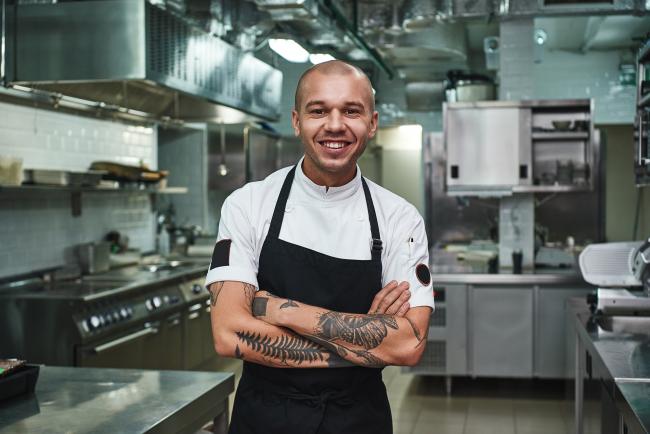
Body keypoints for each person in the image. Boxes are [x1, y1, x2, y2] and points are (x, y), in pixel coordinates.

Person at [205, 60, 434, 434]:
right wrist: (366, 345)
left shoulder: (399, 219)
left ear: (372, 123)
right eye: (318, 111)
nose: (334, 125)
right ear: (297, 121)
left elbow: (409, 344)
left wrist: (279, 309)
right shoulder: (248, 205)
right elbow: (228, 334)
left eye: (351, 111)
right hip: (264, 418)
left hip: (358, 420)